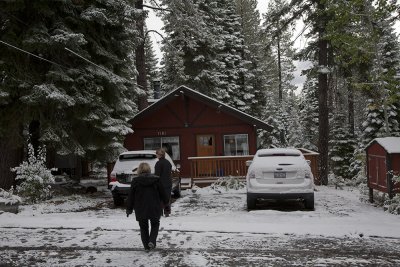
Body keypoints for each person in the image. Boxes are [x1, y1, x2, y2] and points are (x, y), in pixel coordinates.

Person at [126, 162, 169, 251]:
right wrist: (166, 206)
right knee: (155, 224)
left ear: (139, 170)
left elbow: (131, 196)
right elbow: (163, 195)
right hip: (155, 207)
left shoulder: (135, 181)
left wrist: (129, 209)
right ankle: (152, 241)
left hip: (140, 208)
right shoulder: (157, 180)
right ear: (149, 170)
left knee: (143, 227)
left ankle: (146, 246)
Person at [154, 148, 172, 216]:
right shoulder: (168, 162)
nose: (156, 155)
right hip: (168, 183)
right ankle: (167, 212)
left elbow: (157, 175)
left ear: (160, 155)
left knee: (160, 199)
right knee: (167, 198)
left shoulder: (158, 163)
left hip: (161, 184)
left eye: (157, 154)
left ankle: (160, 213)